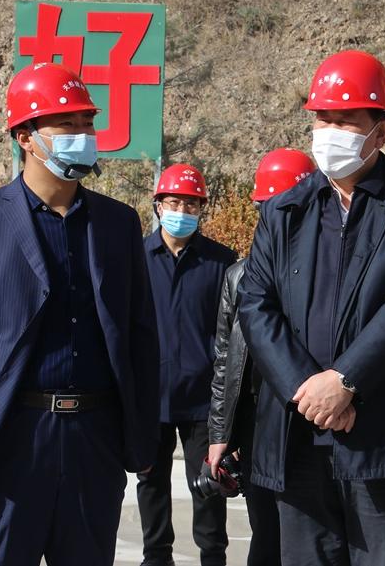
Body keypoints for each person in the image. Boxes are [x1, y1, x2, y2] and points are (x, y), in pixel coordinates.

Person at [0, 62, 160, 566]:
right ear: (25, 138)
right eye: (66, 124)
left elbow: (140, 334)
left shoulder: (118, 223)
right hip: (9, 439)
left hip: (94, 440)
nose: (83, 135)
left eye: (87, 123)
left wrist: (142, 436)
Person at [237, 50, 385, 566]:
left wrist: (345, 381)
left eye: (345, 120)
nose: (329, 132)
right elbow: (256, 303)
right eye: (323, 119)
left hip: (380, 434)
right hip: (296, 430)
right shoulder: (284, 210)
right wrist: (307, 391)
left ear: (381, 131)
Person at [208, 147, 316, 566]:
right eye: (265, 210)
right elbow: (226, 362)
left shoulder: (329, 273)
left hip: (312, 420)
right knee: (266, 533)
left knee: (310, 535)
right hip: (257, 426)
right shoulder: (239, 276)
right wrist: (222, 434)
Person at [137, 163, 237, 566]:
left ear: (201, 209)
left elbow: (231, 334)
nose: (182, 211)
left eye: (191, 204)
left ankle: (213, 557)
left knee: (209, 484)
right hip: (151, 395)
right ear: (158, 205)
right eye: (174, 202)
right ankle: (156, 556)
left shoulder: (221, 262)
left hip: (203, 400)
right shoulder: (136, 258)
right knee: (151, 482)